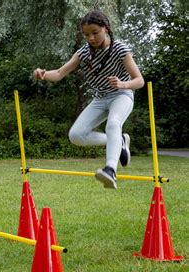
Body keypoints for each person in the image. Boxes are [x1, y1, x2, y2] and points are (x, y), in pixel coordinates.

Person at [33, 10, 144, 189]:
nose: (91, 38)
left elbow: (139, 81)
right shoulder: (84, 53)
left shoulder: (121, 50)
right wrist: (44, 74)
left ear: (105, 29)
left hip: (121, 95)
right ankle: (119, 141)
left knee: (114, 124)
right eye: (86, 34)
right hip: (100, 98)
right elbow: (60, 73)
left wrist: (122, 84)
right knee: (76, 135)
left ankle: (110, 171)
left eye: (95, 32)